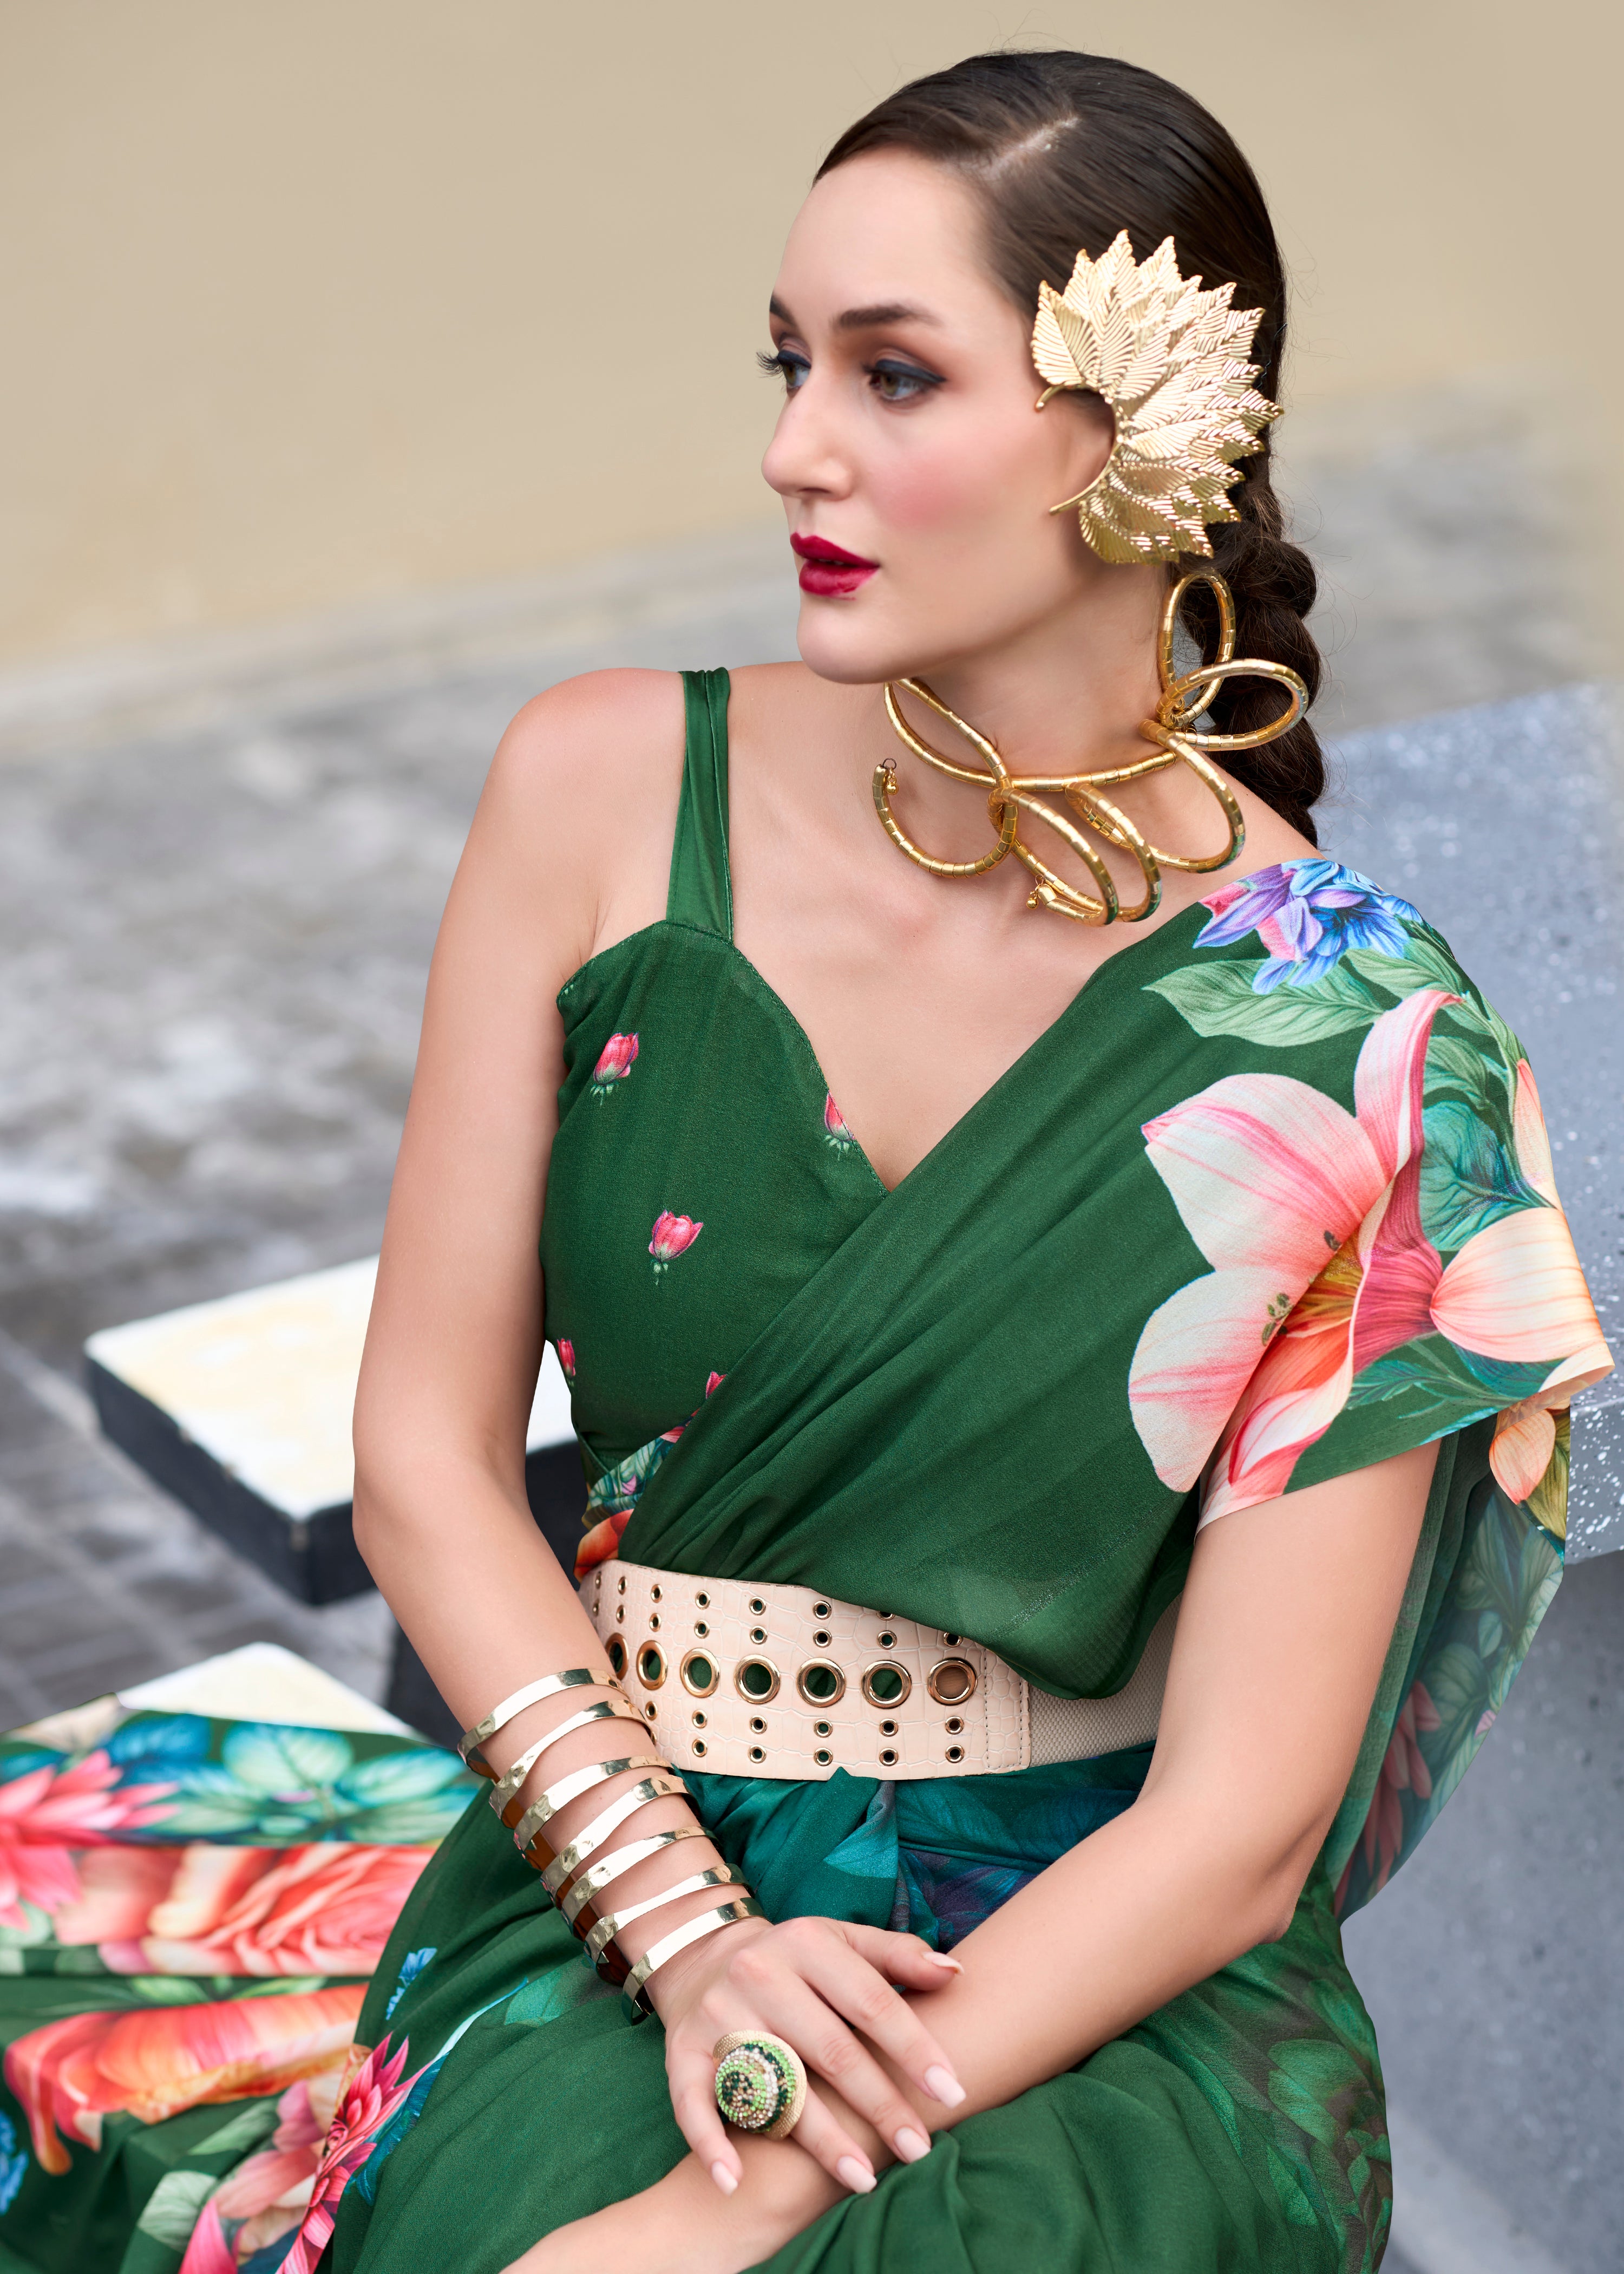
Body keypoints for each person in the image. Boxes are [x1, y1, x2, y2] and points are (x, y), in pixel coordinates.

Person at [333, 50, 1609, 2274]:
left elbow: (1238, 1824)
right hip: (615, 1876)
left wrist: (761, 2176)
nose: (791, 448)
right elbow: (426, 1463)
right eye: (789, 361)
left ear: (1144, 436)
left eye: (893, 376)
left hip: (1090, 1978)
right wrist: (698, 1948)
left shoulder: (1359, 1036)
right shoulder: (608, 790)